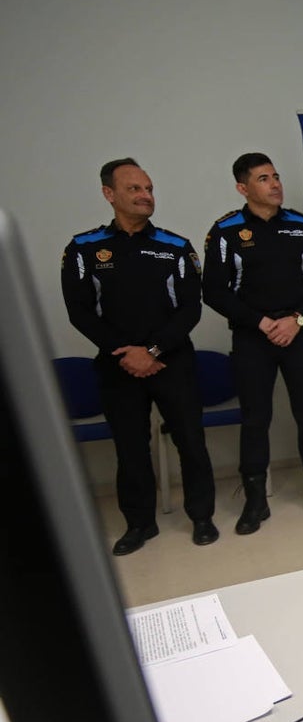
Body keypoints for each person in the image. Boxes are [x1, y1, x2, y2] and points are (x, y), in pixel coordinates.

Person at [61, 158, 219, 554]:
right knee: (130, 447)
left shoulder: (175, 247)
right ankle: (139, 524)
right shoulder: (84, 249)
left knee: (191, 442)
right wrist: (128, 354)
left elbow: (190, 309)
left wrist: (151, 351)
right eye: (134, 189)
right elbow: (79, 311)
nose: (146, 196)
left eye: (148, 188)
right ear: (109, 194)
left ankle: (201, 517)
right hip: (118, 366)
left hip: (172, 361)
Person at [203, 152, 303, 533]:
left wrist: (295, 320)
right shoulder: (226, 231)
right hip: (252, 338)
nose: (275, 183)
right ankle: (255, 503)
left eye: (276, 176)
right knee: (255, 420)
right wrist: (262, 322)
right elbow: (213, 291)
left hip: (299, 333)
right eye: (264, 178)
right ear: (242, 188)